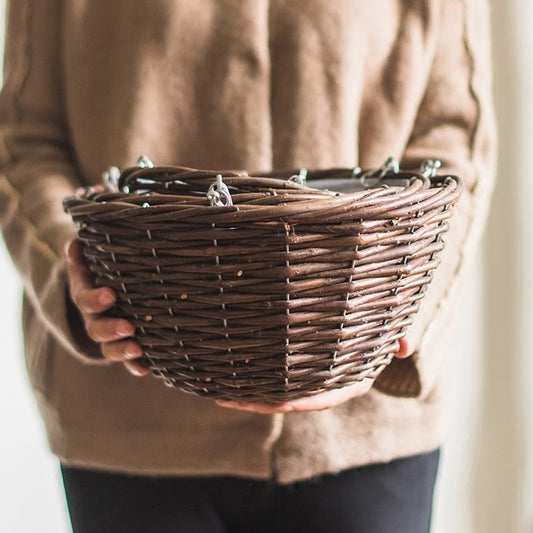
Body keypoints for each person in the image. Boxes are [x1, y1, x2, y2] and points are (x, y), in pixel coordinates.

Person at [0, 1, 496, 532]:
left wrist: (405, 315)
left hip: (369, 420)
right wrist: (71, 271)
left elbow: (454, 136)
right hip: (130, 418)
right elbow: (24, 142)